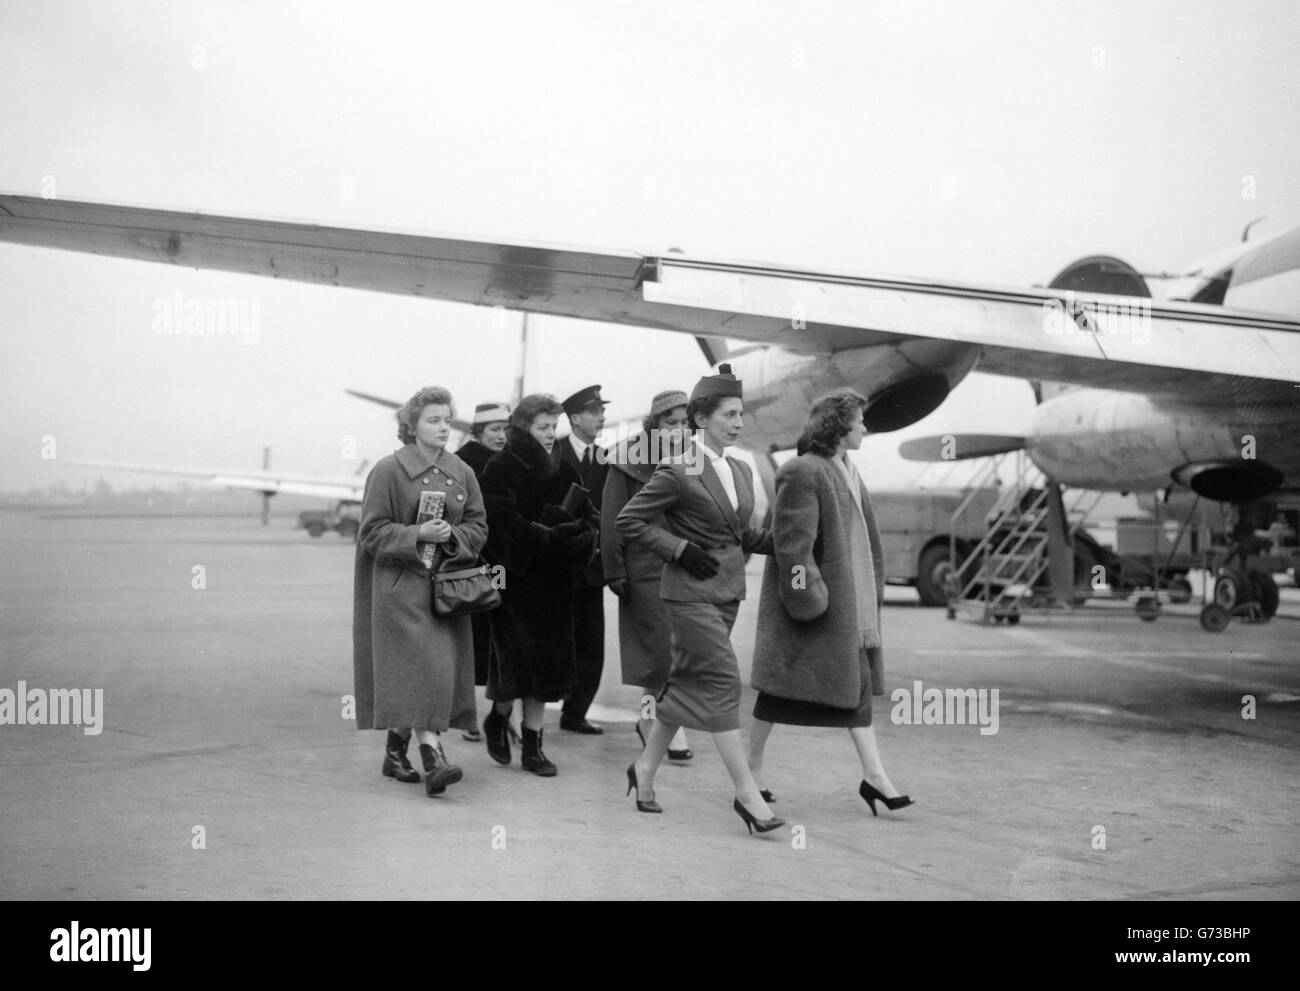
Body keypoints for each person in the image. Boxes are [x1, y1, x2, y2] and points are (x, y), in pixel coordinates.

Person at [617, 364, 784, 835]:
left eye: (741, 414)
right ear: (702, 418)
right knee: (724, 682)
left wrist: (791, 542)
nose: (738, 423)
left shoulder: (740, 468)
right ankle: (747, 795)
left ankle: (645, 771)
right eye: (729, 414)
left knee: (687, 684)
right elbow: (629, 522)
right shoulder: (677, 467)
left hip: (727, 594)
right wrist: (679, 550)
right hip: (688, 596)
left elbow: (742, 534)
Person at [747, 388, 913, 816]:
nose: (864, 427)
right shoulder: (804, 472)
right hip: (822, 608)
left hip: (849, 609)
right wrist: (809, 598)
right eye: (858, 420)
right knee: (780, 693)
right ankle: (751, 769)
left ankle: (875, 777)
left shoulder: (847, 470)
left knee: (844, 691)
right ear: (838, 426)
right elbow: (792, 547)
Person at [353, 386, 486, 797]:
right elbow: (372, 532)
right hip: (400, 590)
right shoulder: (387, 471)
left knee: (431, 675)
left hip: (445, 589)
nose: (444, 426)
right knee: (424, 673)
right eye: (434, 419)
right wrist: (417, 534)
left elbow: (479, 527)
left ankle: (395, 753)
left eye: (447, 419)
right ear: (411, 426)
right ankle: (434, 758)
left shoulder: (462, 471)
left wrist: (452, 536)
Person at [478, 393, 599, 776]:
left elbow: (591, 517)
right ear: (524, 427)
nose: (550, 435)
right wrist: (543, 534)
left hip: (556, 584)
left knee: (547, 670)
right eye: (542, 427)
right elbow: (496, 524)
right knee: (516, 665)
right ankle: (498, 717)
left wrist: (579, 536)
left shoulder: (566, 470)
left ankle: (533, 746)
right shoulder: (500, 468)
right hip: (515, 581)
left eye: (553, 427)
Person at [601, 389, 695, 761]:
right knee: (656, 656)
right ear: (655, 423)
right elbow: (611, 521)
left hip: (685, 568)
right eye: (671, 422)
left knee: (677, 652)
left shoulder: (693, 459)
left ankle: (656, 721)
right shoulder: (625, 459)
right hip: (643, 571)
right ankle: (657, 722)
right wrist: (614, 569)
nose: (679, 429)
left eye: (685, 422)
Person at [552, 385, 611, 735]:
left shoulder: (605, 458)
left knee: (591, 643)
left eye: (602, 411)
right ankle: (526, 711)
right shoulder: (553, 454)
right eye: (595, 411)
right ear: (575, 418)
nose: (602, 417)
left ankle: (575, 712)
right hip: (558, 567)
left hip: (592, 568)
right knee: (555, 639)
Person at [456, 402, 513, 744]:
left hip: (504, 562)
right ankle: (470, 716)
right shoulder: (463, 463)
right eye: (494, 430)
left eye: (506, 429)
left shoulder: (509, 462)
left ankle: (505, 714)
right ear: (478, 432)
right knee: (472, 642)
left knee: (502, 642)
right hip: (474, 563)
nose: (501, 436)